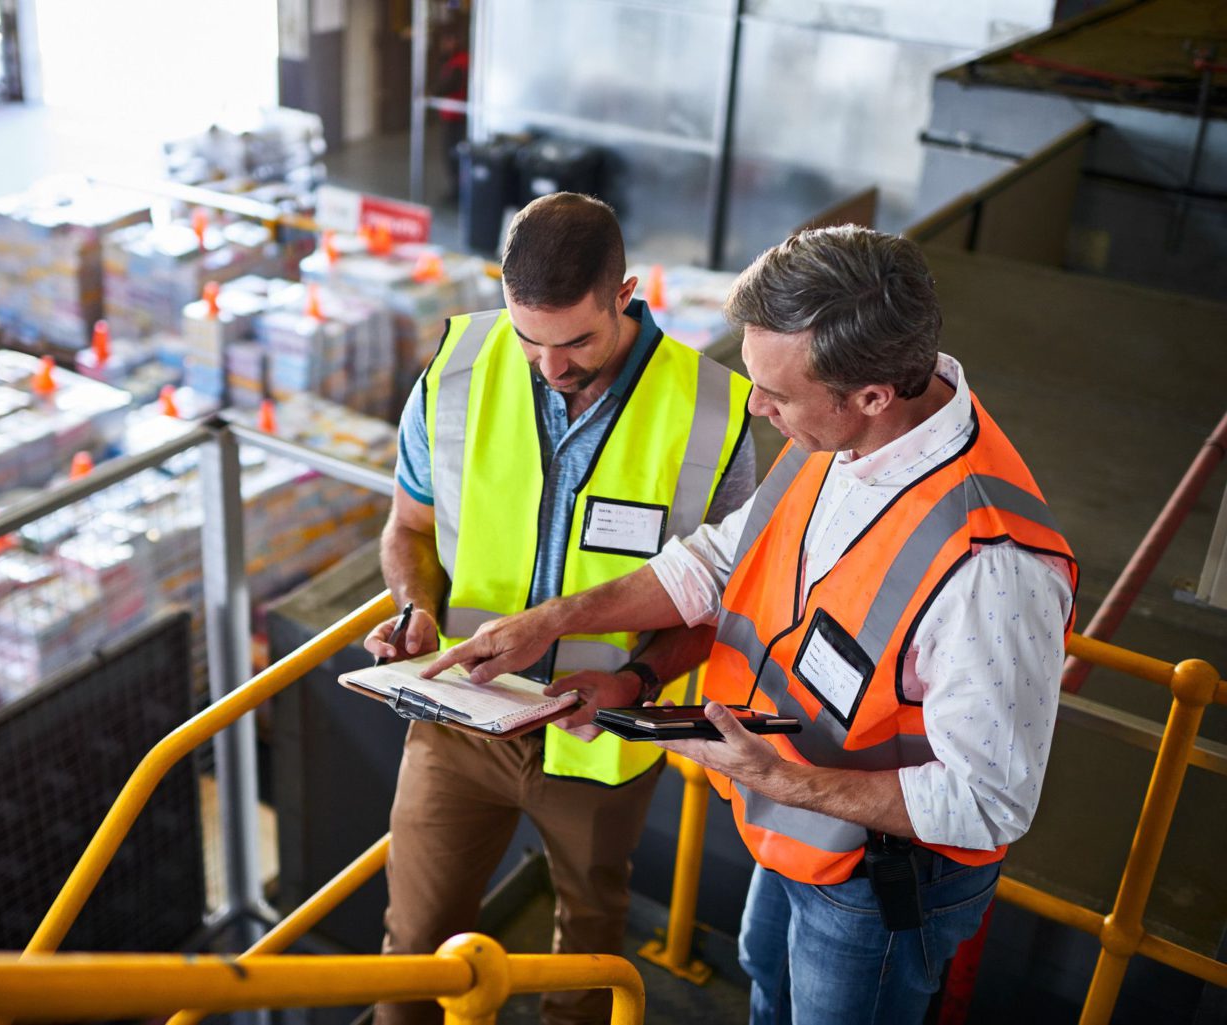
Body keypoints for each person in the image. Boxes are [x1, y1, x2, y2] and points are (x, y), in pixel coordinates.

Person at [426, 226, 1078, 1024]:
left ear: (872, 394)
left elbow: (988, 802)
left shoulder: (992, 568)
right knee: (765, 976)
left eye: (776, 393)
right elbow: (716, 561)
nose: (756, 406)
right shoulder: (839, 433)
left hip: (875, 880)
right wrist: (556, 622)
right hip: (799, 824)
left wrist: (775, 776)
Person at [364, 191, 756, 1025]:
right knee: (414, 952)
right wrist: (415, 608)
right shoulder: (461, 367)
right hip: (458, 719)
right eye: (528, 337)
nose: (549, 364)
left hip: (601, 741)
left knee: (585, 968)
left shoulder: (717, 412)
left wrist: (642, 676)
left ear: (625, 293)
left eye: (575, 339)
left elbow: (723, 602)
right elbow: (408, 526)